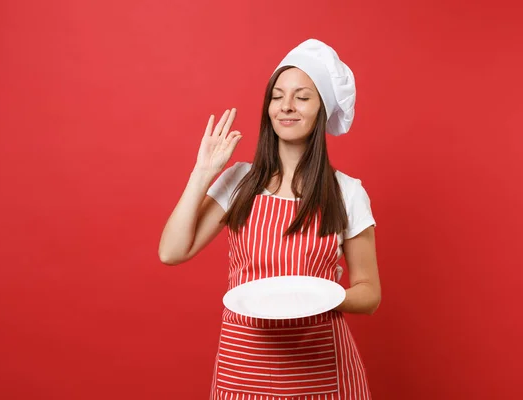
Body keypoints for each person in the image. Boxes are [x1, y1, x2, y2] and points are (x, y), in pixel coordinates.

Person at [159, 38, 381, 400]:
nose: (286, 107)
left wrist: (319, 296)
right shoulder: (239, 181)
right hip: (241, 369)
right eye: (277, 96)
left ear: (321, 109)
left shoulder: (346, 192)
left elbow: (369, 294)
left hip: (320, 370)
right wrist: (202, 173)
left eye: (302, 97)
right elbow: (171, 252)